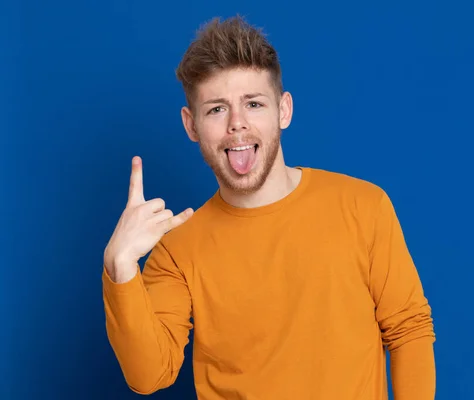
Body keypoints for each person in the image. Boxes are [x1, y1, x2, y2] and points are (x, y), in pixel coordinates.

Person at [102, 15, 436, 400]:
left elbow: (409, 329)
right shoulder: (177, 249)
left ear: (283, 110)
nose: (237, 125)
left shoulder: (364, 206)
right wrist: (121, 267)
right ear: (191, 125)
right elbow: (149, 375)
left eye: (254, 104)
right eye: (216, 110)